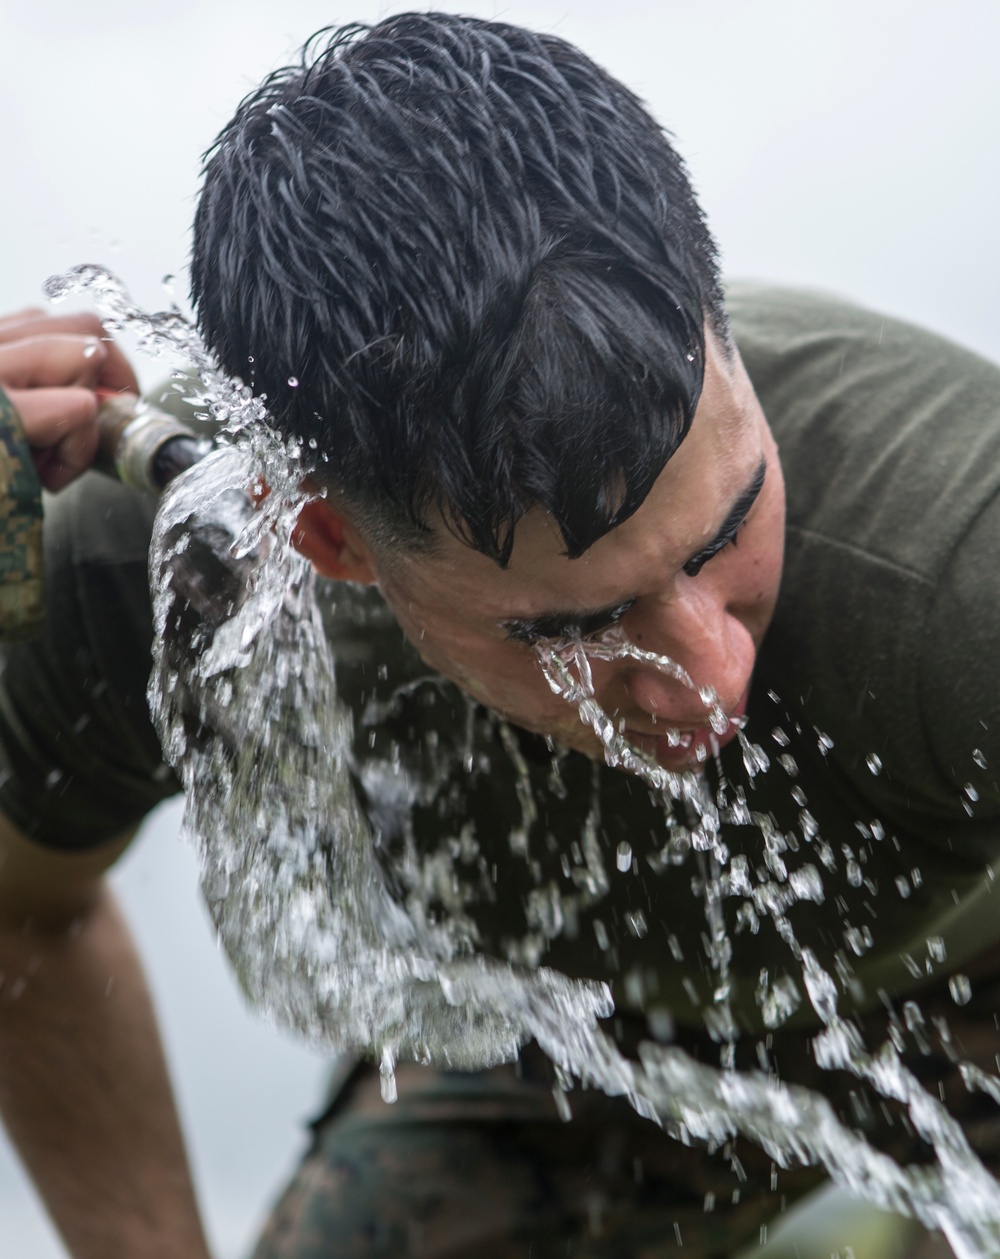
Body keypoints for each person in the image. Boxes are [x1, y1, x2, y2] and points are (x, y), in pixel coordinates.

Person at [2, 12, 999, 1257]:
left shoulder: (958, 548)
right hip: (575, 1046)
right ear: (330, 545)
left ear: (723, 347)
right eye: (575, 626)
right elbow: (20, 914)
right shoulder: (154, 563)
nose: (707, 675)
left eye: (724, 533)